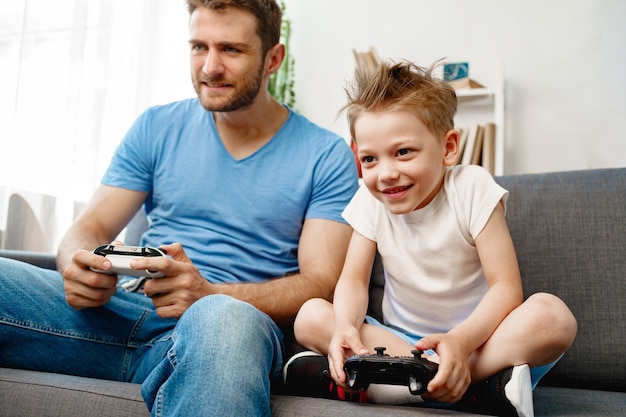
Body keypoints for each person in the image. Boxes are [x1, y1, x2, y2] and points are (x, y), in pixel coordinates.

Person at [0, 1, 358, 416]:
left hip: (227, 327)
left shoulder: (324, 154)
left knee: (224, 319)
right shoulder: (156, 126)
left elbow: (322, 282)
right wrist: (76, 265)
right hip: (121, 312)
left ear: (273, 58)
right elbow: (90, 227)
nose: (210, 67)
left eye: (231, 49)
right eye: (198, 47)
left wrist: (209, 294)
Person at [286, 60, 577, 417]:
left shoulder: (472, 187)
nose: (386, 173)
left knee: (553, 316)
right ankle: (465, 388)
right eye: (370, 159)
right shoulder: (368, 199)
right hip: (395, 342)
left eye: (403, 152)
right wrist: (346, 326)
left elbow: (505, 287)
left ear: (448, 147)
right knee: (311, 316)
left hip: (475, 342)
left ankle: (407, 384)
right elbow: (352, 280)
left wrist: (461, 340)